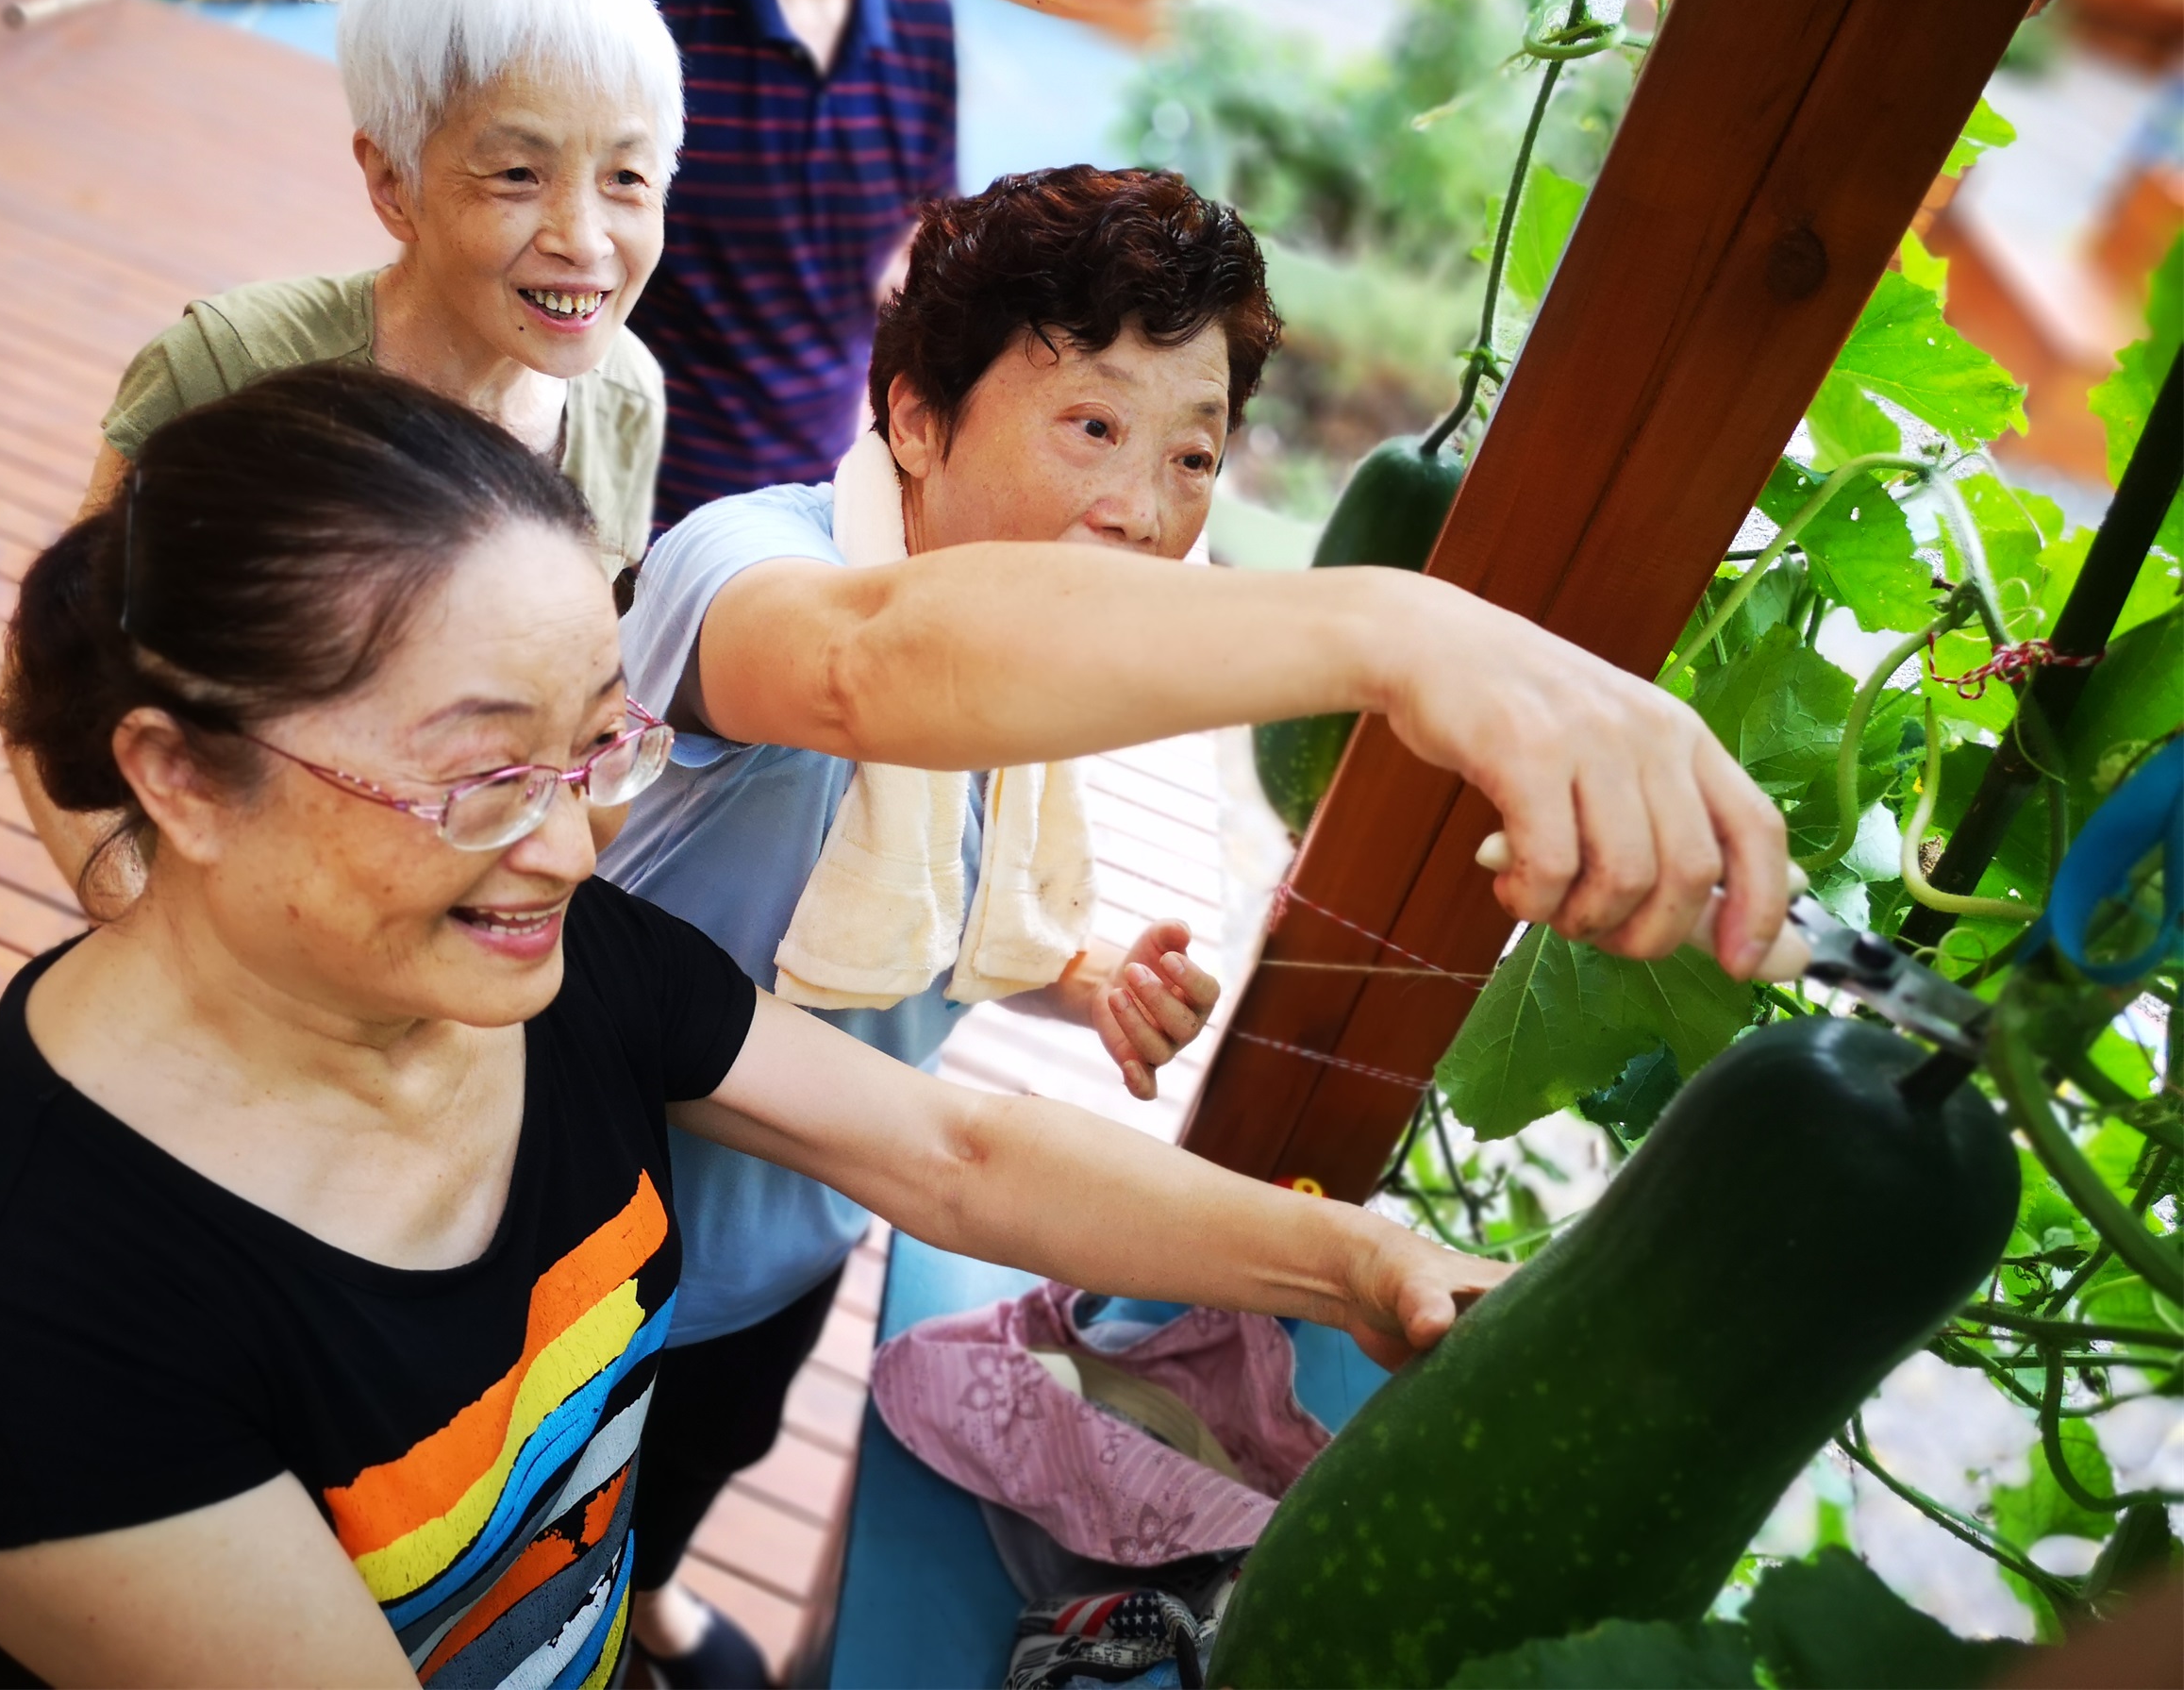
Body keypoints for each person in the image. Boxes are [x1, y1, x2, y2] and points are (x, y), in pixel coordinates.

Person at [0, 364, 1507, 1689]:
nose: (566, 844)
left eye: (595, 748)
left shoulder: (550, 962)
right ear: (182, 777)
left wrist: (1358, 1264)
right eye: (482, 776)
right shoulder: (14, 1307)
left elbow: (951, 1152)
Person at [602, 164, 1794, 1682]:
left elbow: (920, 906)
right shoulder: (752, 564)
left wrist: (1077, 974)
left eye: (1193, 456)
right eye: (1093, 427)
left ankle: (643, 1599)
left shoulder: (1030, 666)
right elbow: (865, 668)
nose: (1143, 511)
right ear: (911, 417)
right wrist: (1394, 625)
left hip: (786, 1236)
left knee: (704, 1450)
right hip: (565, 1228)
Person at [19, 0, 683, 910]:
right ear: (392, 183)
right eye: (518, 175)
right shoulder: (231, 367)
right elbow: (55, 672)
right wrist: (138, 923)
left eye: (627, 179)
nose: (582, 237)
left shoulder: (626, 396)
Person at [635, 0, 957, 527]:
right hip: (647, 500)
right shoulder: (654, 14)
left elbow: (925, 224)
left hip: (825, 502)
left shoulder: (920, 14)